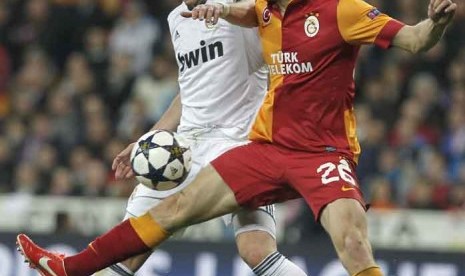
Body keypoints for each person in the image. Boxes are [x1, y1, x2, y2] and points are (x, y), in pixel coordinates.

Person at [16, 0, 457, 275]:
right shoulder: (261, 12)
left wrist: (434, 23)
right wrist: (152, 134)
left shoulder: (342, 11)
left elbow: (416, 41)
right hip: (267, 149)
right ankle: (70, 268)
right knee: (176, 210)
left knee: (352, 244)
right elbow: (233, 31)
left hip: (320, 152)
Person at [20, 0, 308, 276]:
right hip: (182, 150)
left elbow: (280, 49)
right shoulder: (176, 19)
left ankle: (68, 268)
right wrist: (150, 137)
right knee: (124, 252)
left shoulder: (237, 11)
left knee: (256, 251)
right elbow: (190, 89)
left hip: (238, 147)